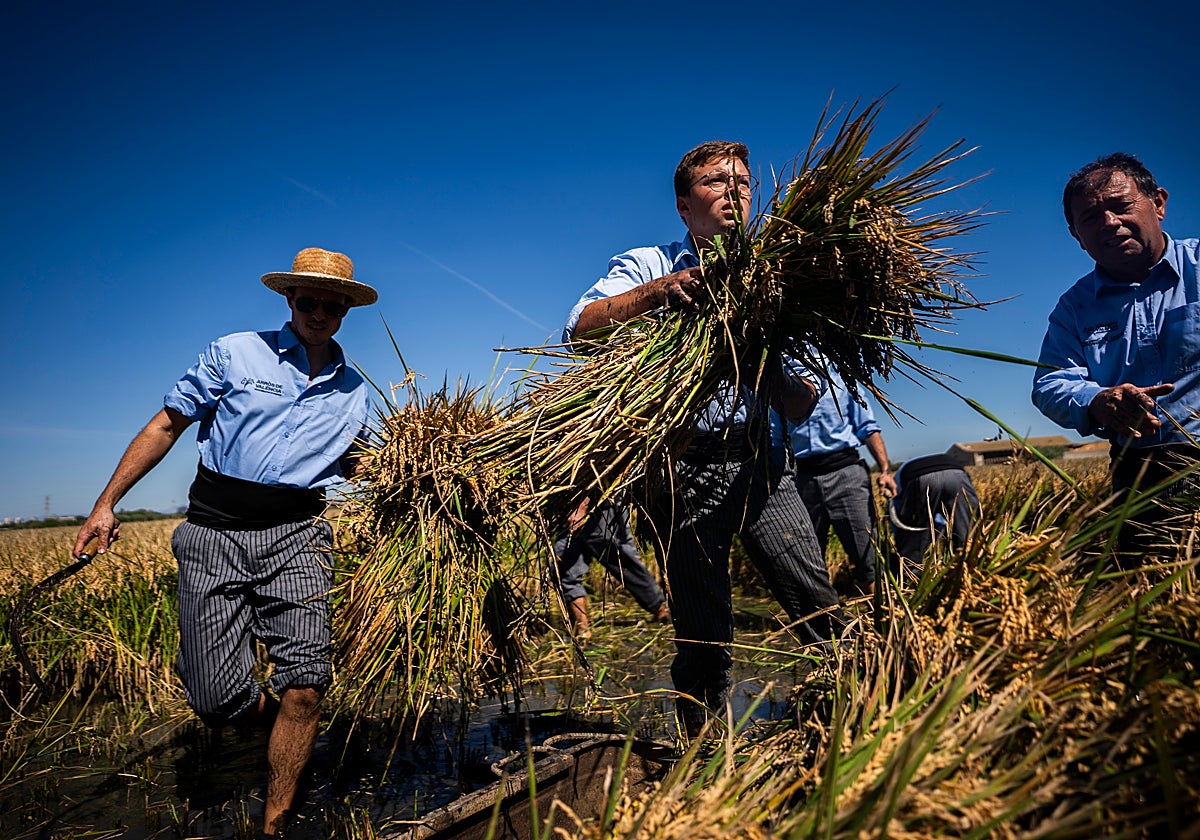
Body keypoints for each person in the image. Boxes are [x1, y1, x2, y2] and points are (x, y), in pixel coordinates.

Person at [72, 247, 377, 839]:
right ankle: (283, 733)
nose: (319, 312)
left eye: (331, 304)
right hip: (214, 535)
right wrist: (105, 504)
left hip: (300, 538)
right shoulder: (235, 353)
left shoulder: (356, 391)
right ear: (289, 300)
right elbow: (166, 425)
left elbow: (363, 466)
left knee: (306, 684)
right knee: (216, 700)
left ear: (344, 310)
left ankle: (275, 823)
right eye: (308, 300)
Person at [563, 140, 844, 734]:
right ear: (684, 206)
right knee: (702, 628)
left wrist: (760, 367)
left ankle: (844, 726)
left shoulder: (781, 280)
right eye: (716, 181)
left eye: (742, 182)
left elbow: (804, 398)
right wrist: (661, 293)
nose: (734, 191)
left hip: (761, 463)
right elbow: (579, 328)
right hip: (678, 472)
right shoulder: (650, 264)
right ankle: (705, 760)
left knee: (815, 602)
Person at [1031, 153, 1200, 547]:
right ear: (1077, 235)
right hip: (1138, 473)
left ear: (1157, 203)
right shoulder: (1074, 307)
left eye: (1121, 206)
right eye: (1090, 218)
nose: (1109, 222)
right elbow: (1050, 382)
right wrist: (1098, 400)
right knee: (1148, 590)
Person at [778, 368, 897, 594]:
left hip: (846, 474)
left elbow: (868, 427)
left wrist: (885, 469)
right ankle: (822, 619)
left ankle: (879, 620)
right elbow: (773, 434)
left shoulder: (844, 382)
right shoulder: (782, 384)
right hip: (802, 479)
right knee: (808, 556)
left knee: (866, 553)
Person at [553, 498, 670, 640]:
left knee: (620, 559)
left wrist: (583, 504)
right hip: (571, 507)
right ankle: (582, 631)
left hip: (602, 502)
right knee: (563, 567)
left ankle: (659, 610)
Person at [888, 454, 980, 568]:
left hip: (920, 477)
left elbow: (902, 524)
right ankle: (970, 566)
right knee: (968, 531)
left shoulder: (896, 484)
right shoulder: (905, 468)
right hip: (957, 474)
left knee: (913, 537)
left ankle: (912, 574)